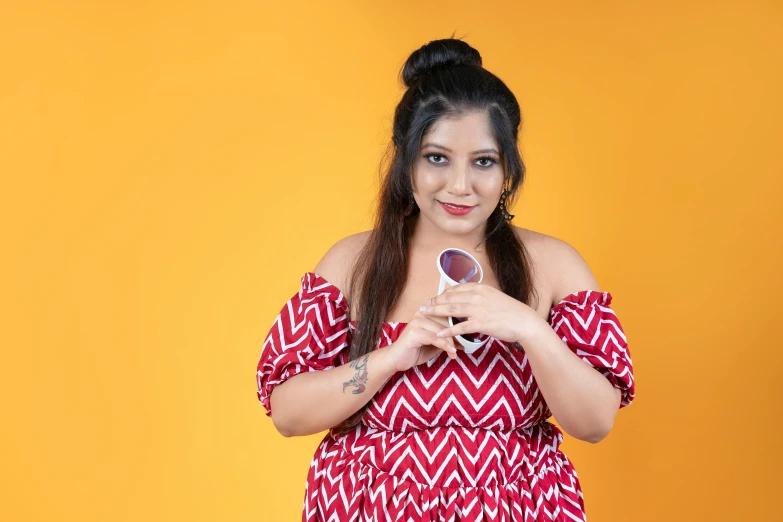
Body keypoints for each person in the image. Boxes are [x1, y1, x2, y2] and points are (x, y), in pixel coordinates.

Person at [255, 37, 635, 522]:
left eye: (483, 161)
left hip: (518, 508)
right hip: (368, 508)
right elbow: (287, 414)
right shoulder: (353, 262)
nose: (460, 186)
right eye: (437, 157)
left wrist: (527, 328)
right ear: (405, 158)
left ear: (508, 167)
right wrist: (392, 357)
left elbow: (596, 422)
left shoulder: (554, 264)